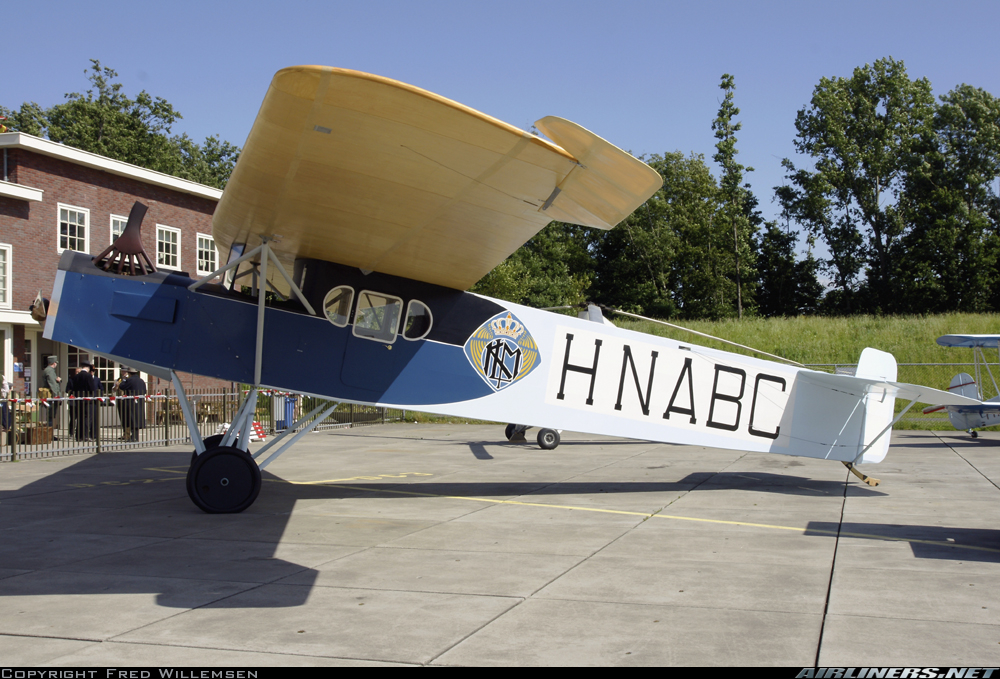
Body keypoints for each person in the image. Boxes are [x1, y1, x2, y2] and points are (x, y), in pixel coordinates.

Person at [120, 368, 146, 441]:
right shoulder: (141, 381)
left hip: (131, 402)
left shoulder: (129, 380)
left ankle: (134, 437)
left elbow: (122, 386)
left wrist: (124, 379)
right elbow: (144, 391)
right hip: (140, 402)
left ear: (129, 373)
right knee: (137, 419)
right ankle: (135, 436)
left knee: (132, 419)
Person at [41, 356, 62, 435]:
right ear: (54, 363)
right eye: (56, 363)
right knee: (51, 415)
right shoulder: (50, 371)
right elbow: (52, 384)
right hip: (51, 396)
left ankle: (49, 434)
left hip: (51, 395)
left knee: (51, 415)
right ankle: (49, 434)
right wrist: (57, 396)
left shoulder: (48, 370)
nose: (56, 364)